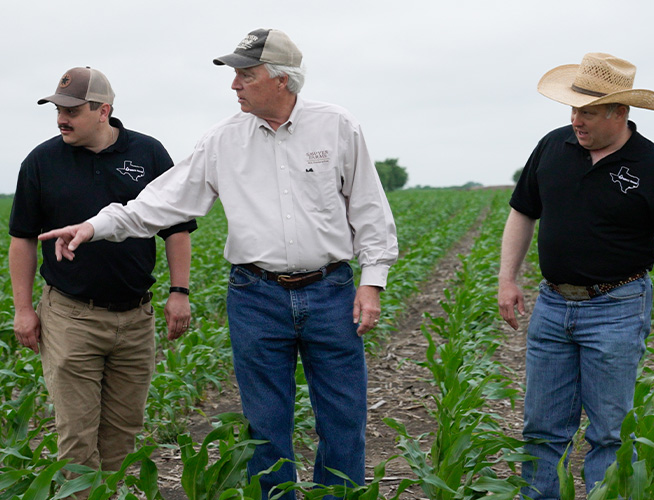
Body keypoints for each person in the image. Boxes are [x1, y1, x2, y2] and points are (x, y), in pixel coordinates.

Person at [39, 29, 399, 499]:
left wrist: (372, 282)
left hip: (331, 292)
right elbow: (157, 204)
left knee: (343, 418)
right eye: (235, 75)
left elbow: (370, 209)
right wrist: (93, 227)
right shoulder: (223, 140)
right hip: (257, 296)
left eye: (246, 75)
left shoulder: (337, 127)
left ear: (283, 81)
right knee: (266, 427)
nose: (235, 85)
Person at [497, 52, 654, 498]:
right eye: (573, 109)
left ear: (619, 112)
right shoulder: (553, 147)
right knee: (542, 428)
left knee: (609, 432)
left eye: (587, 112)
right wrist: (507, 279)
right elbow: (522, 212)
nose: (576, 120)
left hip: (617, 308)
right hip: (551, 307)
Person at [9, 67, 197, 482]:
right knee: (76, 436)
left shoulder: (148, 154)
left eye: (72, 110)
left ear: (103, 110)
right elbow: (22, 239)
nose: (62, 118)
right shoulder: (41, 162)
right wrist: (23, 309)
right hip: (70, 316)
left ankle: (113, 493)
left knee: (123, 435)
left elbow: (177, 228)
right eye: (58, 109)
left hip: (135, 319)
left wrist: (179, 291)